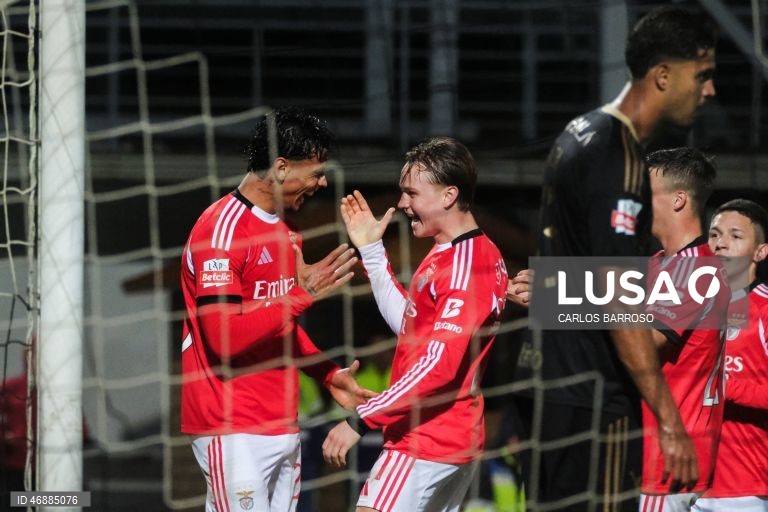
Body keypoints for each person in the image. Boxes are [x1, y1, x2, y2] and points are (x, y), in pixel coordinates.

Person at [521, 6, 718, 510]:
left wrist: (548, 293)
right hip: (594, 403)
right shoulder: (622, 155)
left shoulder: (579, 132)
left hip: (551, 390)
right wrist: (669, 420)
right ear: (664, 75)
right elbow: (617, 303)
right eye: (703, 75)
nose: (709, 91)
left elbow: (582, 275)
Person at [179, 106, 375, 512]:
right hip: (230, 427)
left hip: (282, 424)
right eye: (317, 172)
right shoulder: (221, 231)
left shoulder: (288, 232)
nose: (322, 183)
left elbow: (280, 326)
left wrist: (325, 374)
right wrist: (302, 295)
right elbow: (224, 339)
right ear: (282, 167)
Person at [322, 137, 509, 511]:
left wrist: (362, 419)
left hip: (426, 438)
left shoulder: (467, 265)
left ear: (448, 195)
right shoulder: (449, 251)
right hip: (449, 438)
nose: (402, 204)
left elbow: (439, 365)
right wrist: (372, 253)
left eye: (411, 194)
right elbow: (413, 329)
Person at [640, 148, 728, 511]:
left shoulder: (695, 270)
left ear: (678, 199)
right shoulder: (661, 264)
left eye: (645, 190)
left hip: (665, 462)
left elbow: (643, 340)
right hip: (660, 455)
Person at [691, 199, 768, 512]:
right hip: (679, 484)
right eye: (714, 235)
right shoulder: (685, 305)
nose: (721, 243)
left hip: (741, 489)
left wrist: (723, 385)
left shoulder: (764, 310)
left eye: (735, 236)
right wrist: (552, 290)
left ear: (761, 252)